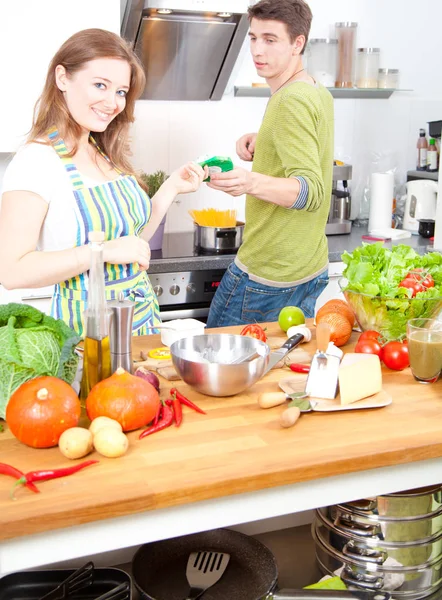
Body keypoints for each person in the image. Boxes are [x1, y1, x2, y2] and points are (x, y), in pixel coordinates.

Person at [0, 28, 206, 336]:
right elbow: (12, 270)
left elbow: (132, 244)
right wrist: (101, 252)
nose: (112, 102)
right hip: (89, 337)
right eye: (100, 85)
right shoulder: (36, 161)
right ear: (62, 78)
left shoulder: (101, 151)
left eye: (121, 91)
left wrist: (171, 188)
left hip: (140, 324)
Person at [206, 0, 334, 328]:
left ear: (298, 43)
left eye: (270, 39)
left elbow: (311, 191)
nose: (257, 50)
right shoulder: (315, 90)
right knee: (274, 373)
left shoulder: (290, 100)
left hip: (268, 275)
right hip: (308, 267)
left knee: (215, 371)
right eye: (253, 38)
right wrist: (264, 139)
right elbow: (309, 145)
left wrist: (248, 182)